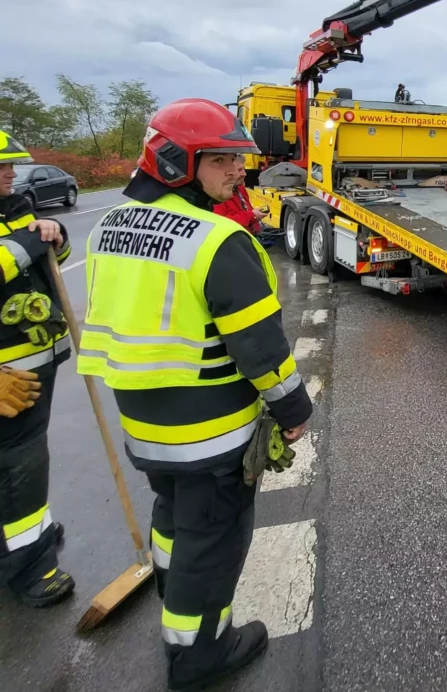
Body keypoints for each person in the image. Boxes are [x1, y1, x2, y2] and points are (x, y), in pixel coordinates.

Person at [77, 99, 313, 691]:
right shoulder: (214, 240)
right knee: (213, 539)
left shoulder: (108, 226)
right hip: (211, 434)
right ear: (180, 162)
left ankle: (170, 589)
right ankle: (199, 655)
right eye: (224, 161)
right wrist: (294, 411)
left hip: (145, 426)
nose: (239, 172)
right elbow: (261, 348)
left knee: (173, 517)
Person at [0, 129, 76, 607]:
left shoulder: (14, 209)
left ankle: (31, 535)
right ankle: (30, 569)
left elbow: (50, 263)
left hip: (33, 366)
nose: (11, 172)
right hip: (8, 379)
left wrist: (57, 235)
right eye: (0, 167)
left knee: (24, 463)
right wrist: (27, 243)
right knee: (19, 468)